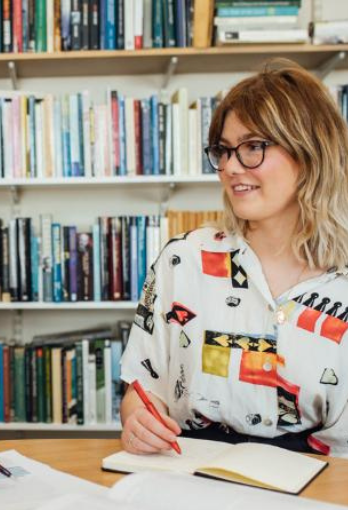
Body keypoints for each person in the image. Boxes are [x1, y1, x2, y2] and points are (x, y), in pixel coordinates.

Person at [119, 59, 348, 457]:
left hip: (318, 485)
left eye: (253, 147)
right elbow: (144, 387)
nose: (229, 167)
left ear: (310, 151)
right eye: (223, 151)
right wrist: (139, 420)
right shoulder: (184, 259)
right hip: (188, 476)